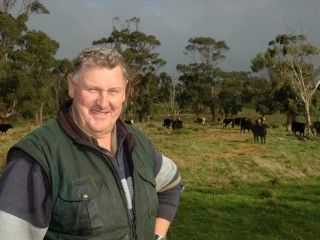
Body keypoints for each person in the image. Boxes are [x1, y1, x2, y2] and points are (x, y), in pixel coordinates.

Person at [0, 46, 184, 240]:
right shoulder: (38, 157)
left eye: (113, 91)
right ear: (72, 86)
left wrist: (158, 235)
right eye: (93, 90)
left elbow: (171, 186)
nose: (103, 103)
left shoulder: (136, 143)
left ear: (124, 93)